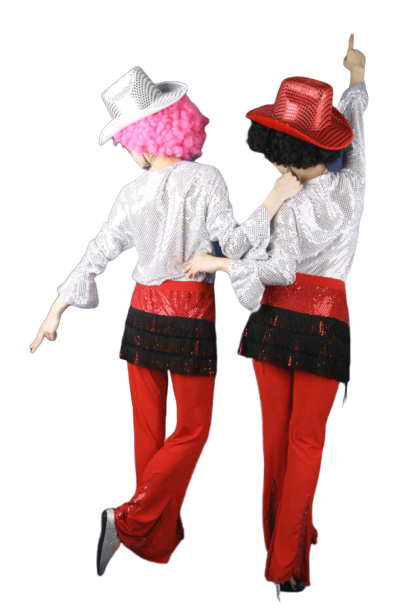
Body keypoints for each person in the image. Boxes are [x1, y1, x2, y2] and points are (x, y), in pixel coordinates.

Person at [28, 65, 303, 578]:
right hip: (190, 314)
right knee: (193, 429)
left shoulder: (131, 195)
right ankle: (130, 521)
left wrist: (56, 309)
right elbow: (234, 245)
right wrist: (272, 199)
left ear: (141, 137)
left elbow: (98, 251)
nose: (129, 153)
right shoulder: (206, 179)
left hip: (140, 315)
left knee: (149, 432)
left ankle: (151, 541)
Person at [184, 33, 367, 602]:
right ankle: (287, 561)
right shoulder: (354, 182)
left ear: (285, 149)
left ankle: (280, 552)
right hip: (328, 327)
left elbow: (279, 270)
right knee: (308, 445)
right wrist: (356, 79)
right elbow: (357, 127)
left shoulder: (289, 204)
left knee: (276, 443)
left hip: (274, 326)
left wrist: (219, 260)